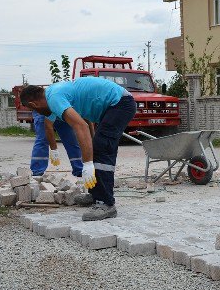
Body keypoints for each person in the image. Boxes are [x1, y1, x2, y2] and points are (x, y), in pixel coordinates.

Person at [19, 77, 137, 221]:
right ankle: (96, 195)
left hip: (120, 103)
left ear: (33, 104)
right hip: (113, 105)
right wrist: (54, 149)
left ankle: (106, 203)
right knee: (98, 146)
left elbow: (81, 126)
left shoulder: (54, 98)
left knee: (103, 148)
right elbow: (52, 124)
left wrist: (87, 164)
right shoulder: (51, 94)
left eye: (32, 109)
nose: (34, 112)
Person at [30, 110, 83, 178]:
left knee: (71, 140)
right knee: (42, 140)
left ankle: (79, 169)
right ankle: (37, 171)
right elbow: (48, 127)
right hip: (43, 110)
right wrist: (54, 149)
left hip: (61, 112)